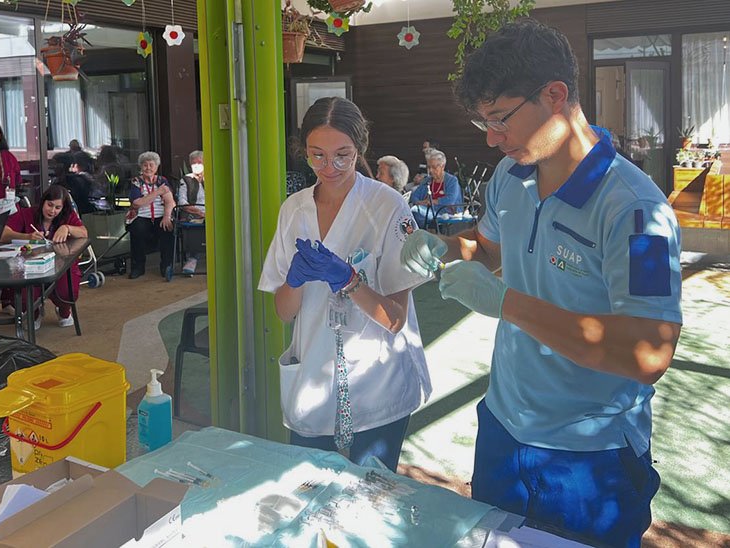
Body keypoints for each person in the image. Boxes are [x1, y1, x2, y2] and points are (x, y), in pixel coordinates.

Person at [401, 20, 682, 548]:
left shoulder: (637, 210)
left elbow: (649, 353)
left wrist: (508, 303)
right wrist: (444, 247)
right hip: (504, 429)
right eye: (482, 121)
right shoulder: (512, 176)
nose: (491, 137)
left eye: (499, 119)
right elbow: (486, 248)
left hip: (590, 457)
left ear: (555, 96)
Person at [258, 97, 431, 473]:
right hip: (313, 382)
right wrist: (295, 278)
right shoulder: (294, 210)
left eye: (342, 155)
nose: (329, 167)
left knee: (370, 501)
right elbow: (285, 312)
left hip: (376, 381)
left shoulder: (387, 208)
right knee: (308, 493)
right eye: (316, 156)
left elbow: (395, 319)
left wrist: (349, 280)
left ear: (360, 150)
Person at [1, 185, 88, 328]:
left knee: (68, 291)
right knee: (24, 297)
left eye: (57, 207)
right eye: (50, 205)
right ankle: (33, 312)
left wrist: (67, 228)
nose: (52, 211)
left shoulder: (67, 216)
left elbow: (84, 233)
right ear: (43, 201)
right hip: (30, 266)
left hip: (61, 264)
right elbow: (4, 234)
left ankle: (64, 310)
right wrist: (27, 236)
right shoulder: (27, 213)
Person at [127, 151, 175, 279]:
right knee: (137, 229)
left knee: (167, 229)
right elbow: (137, 203)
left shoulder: (162, 180)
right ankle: (138, 267)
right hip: (142, 216)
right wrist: (157, 192)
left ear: (156, 167)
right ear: (141, 167)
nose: (148, 168)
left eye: (151, 165)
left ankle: (166, 266)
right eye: (145, 165)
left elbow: (170, 201)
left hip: (161, 215)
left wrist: (167, 217)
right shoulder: (136, 182)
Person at [408, 149, 463, 227]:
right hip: (428, 212)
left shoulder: (452, 180)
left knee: (418, 215)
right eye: (429, 167)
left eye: (434, 167)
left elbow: (450, 200)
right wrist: (419, 202)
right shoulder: (427, 180)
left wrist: (431, 202)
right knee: (414, 212)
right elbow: (415, 195)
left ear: (442, 166)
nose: (430, 170)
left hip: (446, 214)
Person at [177, 150, 206, 276]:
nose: (197, 165)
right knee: (194, 226)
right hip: (193, 213)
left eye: (200, 162)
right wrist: (198, 211)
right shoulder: (186, 180)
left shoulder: (214, 178)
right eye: (194, 163)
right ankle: (192, 259)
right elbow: (182, 201)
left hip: (213, 215)